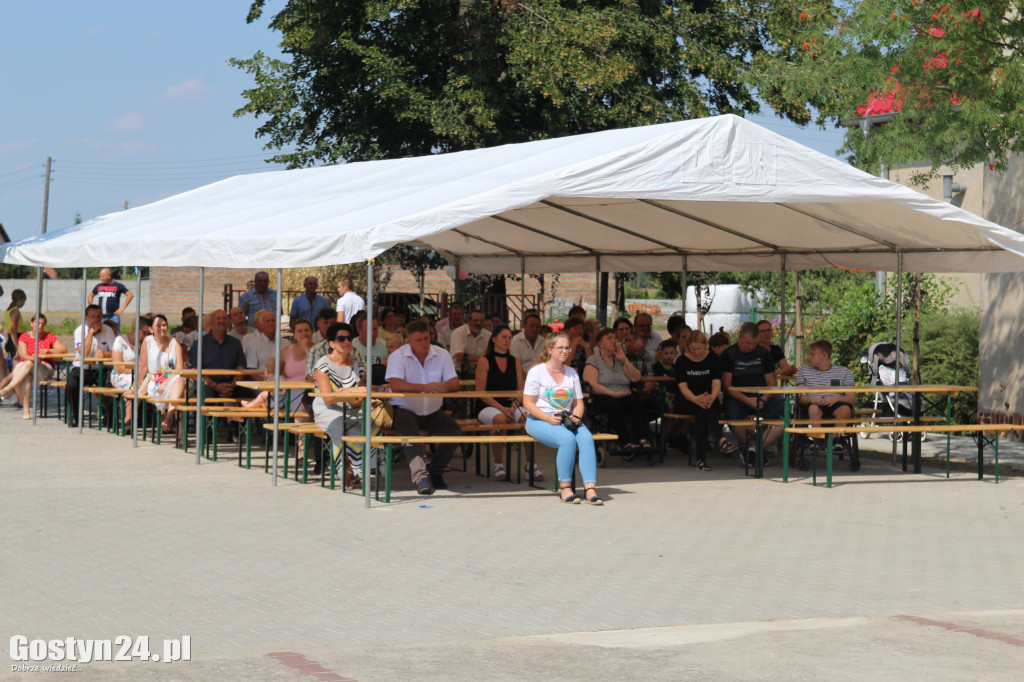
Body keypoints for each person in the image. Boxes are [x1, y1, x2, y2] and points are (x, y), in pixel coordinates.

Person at [522, 332, 602, 505]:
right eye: (560, 348)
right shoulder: (536, 372)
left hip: (566, 419)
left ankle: (590, 489)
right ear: (550, 350)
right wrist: (547, 418)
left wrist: (576, 417)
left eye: (567, 348)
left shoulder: (572, 373)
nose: (565, 351)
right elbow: (527, 403)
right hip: (539, 419)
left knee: (587, 438)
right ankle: (565, 488)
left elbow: (579, 403)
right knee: (567, 440)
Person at [386, 318, 462, 495]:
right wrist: (425, 388)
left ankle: (435, 471)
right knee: (410, 434)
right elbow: (396, 385)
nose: (424, 343)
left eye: (426, 338)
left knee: (454, 431)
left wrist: (441, 386)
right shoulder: (398, 356)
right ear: (409, 341)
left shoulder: (441, 354)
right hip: (404, 409)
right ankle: (421, 477)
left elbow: (454, 383)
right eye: (419, 340)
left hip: (432, 410)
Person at [475, 324, 537, 481]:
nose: (507, 340)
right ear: (494, 339)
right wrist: (502, 409)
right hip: (488, 406)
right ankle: (498, 464)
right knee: (500, 419)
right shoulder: (484, 361)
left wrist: (512, 406)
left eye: (509, 337)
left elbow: (520, 391)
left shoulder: (515, 361)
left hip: (511, 405)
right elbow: (481, 392)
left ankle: (531, 464)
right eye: (504, 336)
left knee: (528, 418)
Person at [720, 321, 784, 466]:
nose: (752, 347)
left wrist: (764, 398)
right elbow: (726, 386)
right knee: (732, 418)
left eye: (754, 344)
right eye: (748, 343)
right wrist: (747, 400)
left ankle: (752, 449)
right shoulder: (728, 354)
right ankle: (755, 449)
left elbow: (771, 383)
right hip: (737, 397)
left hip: (763, 396)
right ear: (740, 337)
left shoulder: (764, 353)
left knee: (785, 415)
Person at [312, 322, 371, 480]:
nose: (347, 342)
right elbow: (329, 398)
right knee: (340, 428)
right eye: (341, 338)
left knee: (365, 430)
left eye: (349, 338)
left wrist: (353, 398)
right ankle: (345, 472)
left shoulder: (357, 365)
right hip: (327, 410)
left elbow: (361, 394)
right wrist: (353, 397)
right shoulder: (322, 365)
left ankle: (353, 470)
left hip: (351, 409)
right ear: (331, 343)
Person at [583, 328, 653, 455]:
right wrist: (614, 394)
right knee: (615, 404)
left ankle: (643, 439)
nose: (614, 341)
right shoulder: (593, 360)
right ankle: (625, 442)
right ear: (600, 344)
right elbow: (592, 384)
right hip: (602, 395)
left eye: (615, 338)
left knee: (634, 402)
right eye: (609, 338)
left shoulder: (620, 360)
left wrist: (624, 359)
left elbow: (636, 377)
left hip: (623, 393)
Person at [0, 314, 66, 419]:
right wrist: (34, 359)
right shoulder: (25, 336)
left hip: (44, 368)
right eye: (38, 323)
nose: (40, 326)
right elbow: (23, 355)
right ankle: (26, 411)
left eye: (43, 323)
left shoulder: (49, 336)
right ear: (31, 324)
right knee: (29, 373)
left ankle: (8, 389)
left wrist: (49, 350)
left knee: (28, 367)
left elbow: (63, 349)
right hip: (27, 366)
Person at [673, 331, 722, 472]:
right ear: (688, 347)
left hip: (708, 400)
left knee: (702, 415)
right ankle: (721, 438)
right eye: (693, 349)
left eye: (699, 349)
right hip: (687, 400)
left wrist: (711, 398)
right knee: (703, 410)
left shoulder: (713, 359)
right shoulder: (682, 361)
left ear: (705, 346)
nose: (697, 352)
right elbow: (683, 387)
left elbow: (716, 383)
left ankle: (701, 460)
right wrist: (696, 399)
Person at [139, 314, 186, 433]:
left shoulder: (175, 343)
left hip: (173, 380)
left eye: (164, 325)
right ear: (151, 329)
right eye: (158, 326)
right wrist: (135, 386)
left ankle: (169, 416)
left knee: (181, 382)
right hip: (155, 382)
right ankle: (181, 435)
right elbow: (143, 366)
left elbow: (179, 369)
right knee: (182, 392)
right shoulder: (148, 341)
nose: (162, 328)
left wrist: (167, 382)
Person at [109, 316, 152, 424]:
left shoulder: (147, 343)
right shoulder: (120, 340)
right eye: (145, 333)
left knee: (144, 382)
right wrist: (133, 371)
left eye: (149, 334)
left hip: (139, 375)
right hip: (121, 375)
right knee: (135, 382)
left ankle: (131, 416)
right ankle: (129, 418)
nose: (147, 336)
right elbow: (117, 365)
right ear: (136, 329)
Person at [87, 268, 134, 333]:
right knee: (100, 333)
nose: (101, 278)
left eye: (102, 276)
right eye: (100, 276)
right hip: (101, 317)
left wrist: (122, 308)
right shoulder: (98, 286)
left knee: (114, 334)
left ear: (109, 276)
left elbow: (130, 295)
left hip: (113, 316)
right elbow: (90, 295)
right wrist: (91, 306)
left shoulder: (118, 286)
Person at [350, 311, 388, 384]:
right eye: (369, 330)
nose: (373, 333)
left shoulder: (385, 346)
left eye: (375, 329)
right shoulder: (351, 347)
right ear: (359, 331)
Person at [242, 310, 277, 377]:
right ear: (261, 325)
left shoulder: (286, 343)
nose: (271, 323)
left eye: (273, 320)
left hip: (283, 385)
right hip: (261, 384)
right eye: (267, 321)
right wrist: (264, 385)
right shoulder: (253, 344)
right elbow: (251, 370)